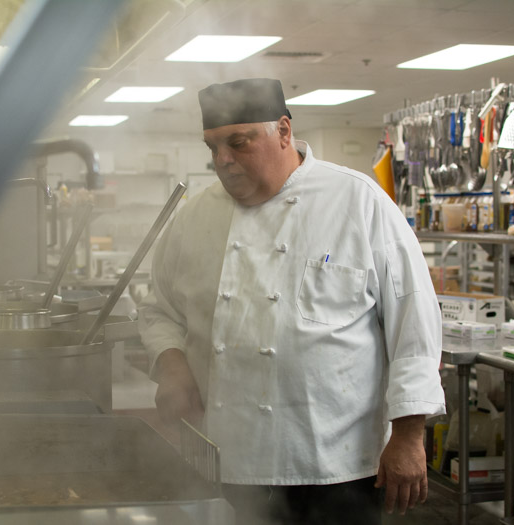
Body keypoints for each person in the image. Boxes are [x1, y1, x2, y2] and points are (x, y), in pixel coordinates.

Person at [137, 78, 445, 525]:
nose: (222, 160)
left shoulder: (359, 203)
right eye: (213, 147)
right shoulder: (193, 218)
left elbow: (414, 327)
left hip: (335, 464)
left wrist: (409, 435)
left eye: (238, 143)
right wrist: (172, 365)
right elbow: (158, 310)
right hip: (226, 459)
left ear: (283, 131)